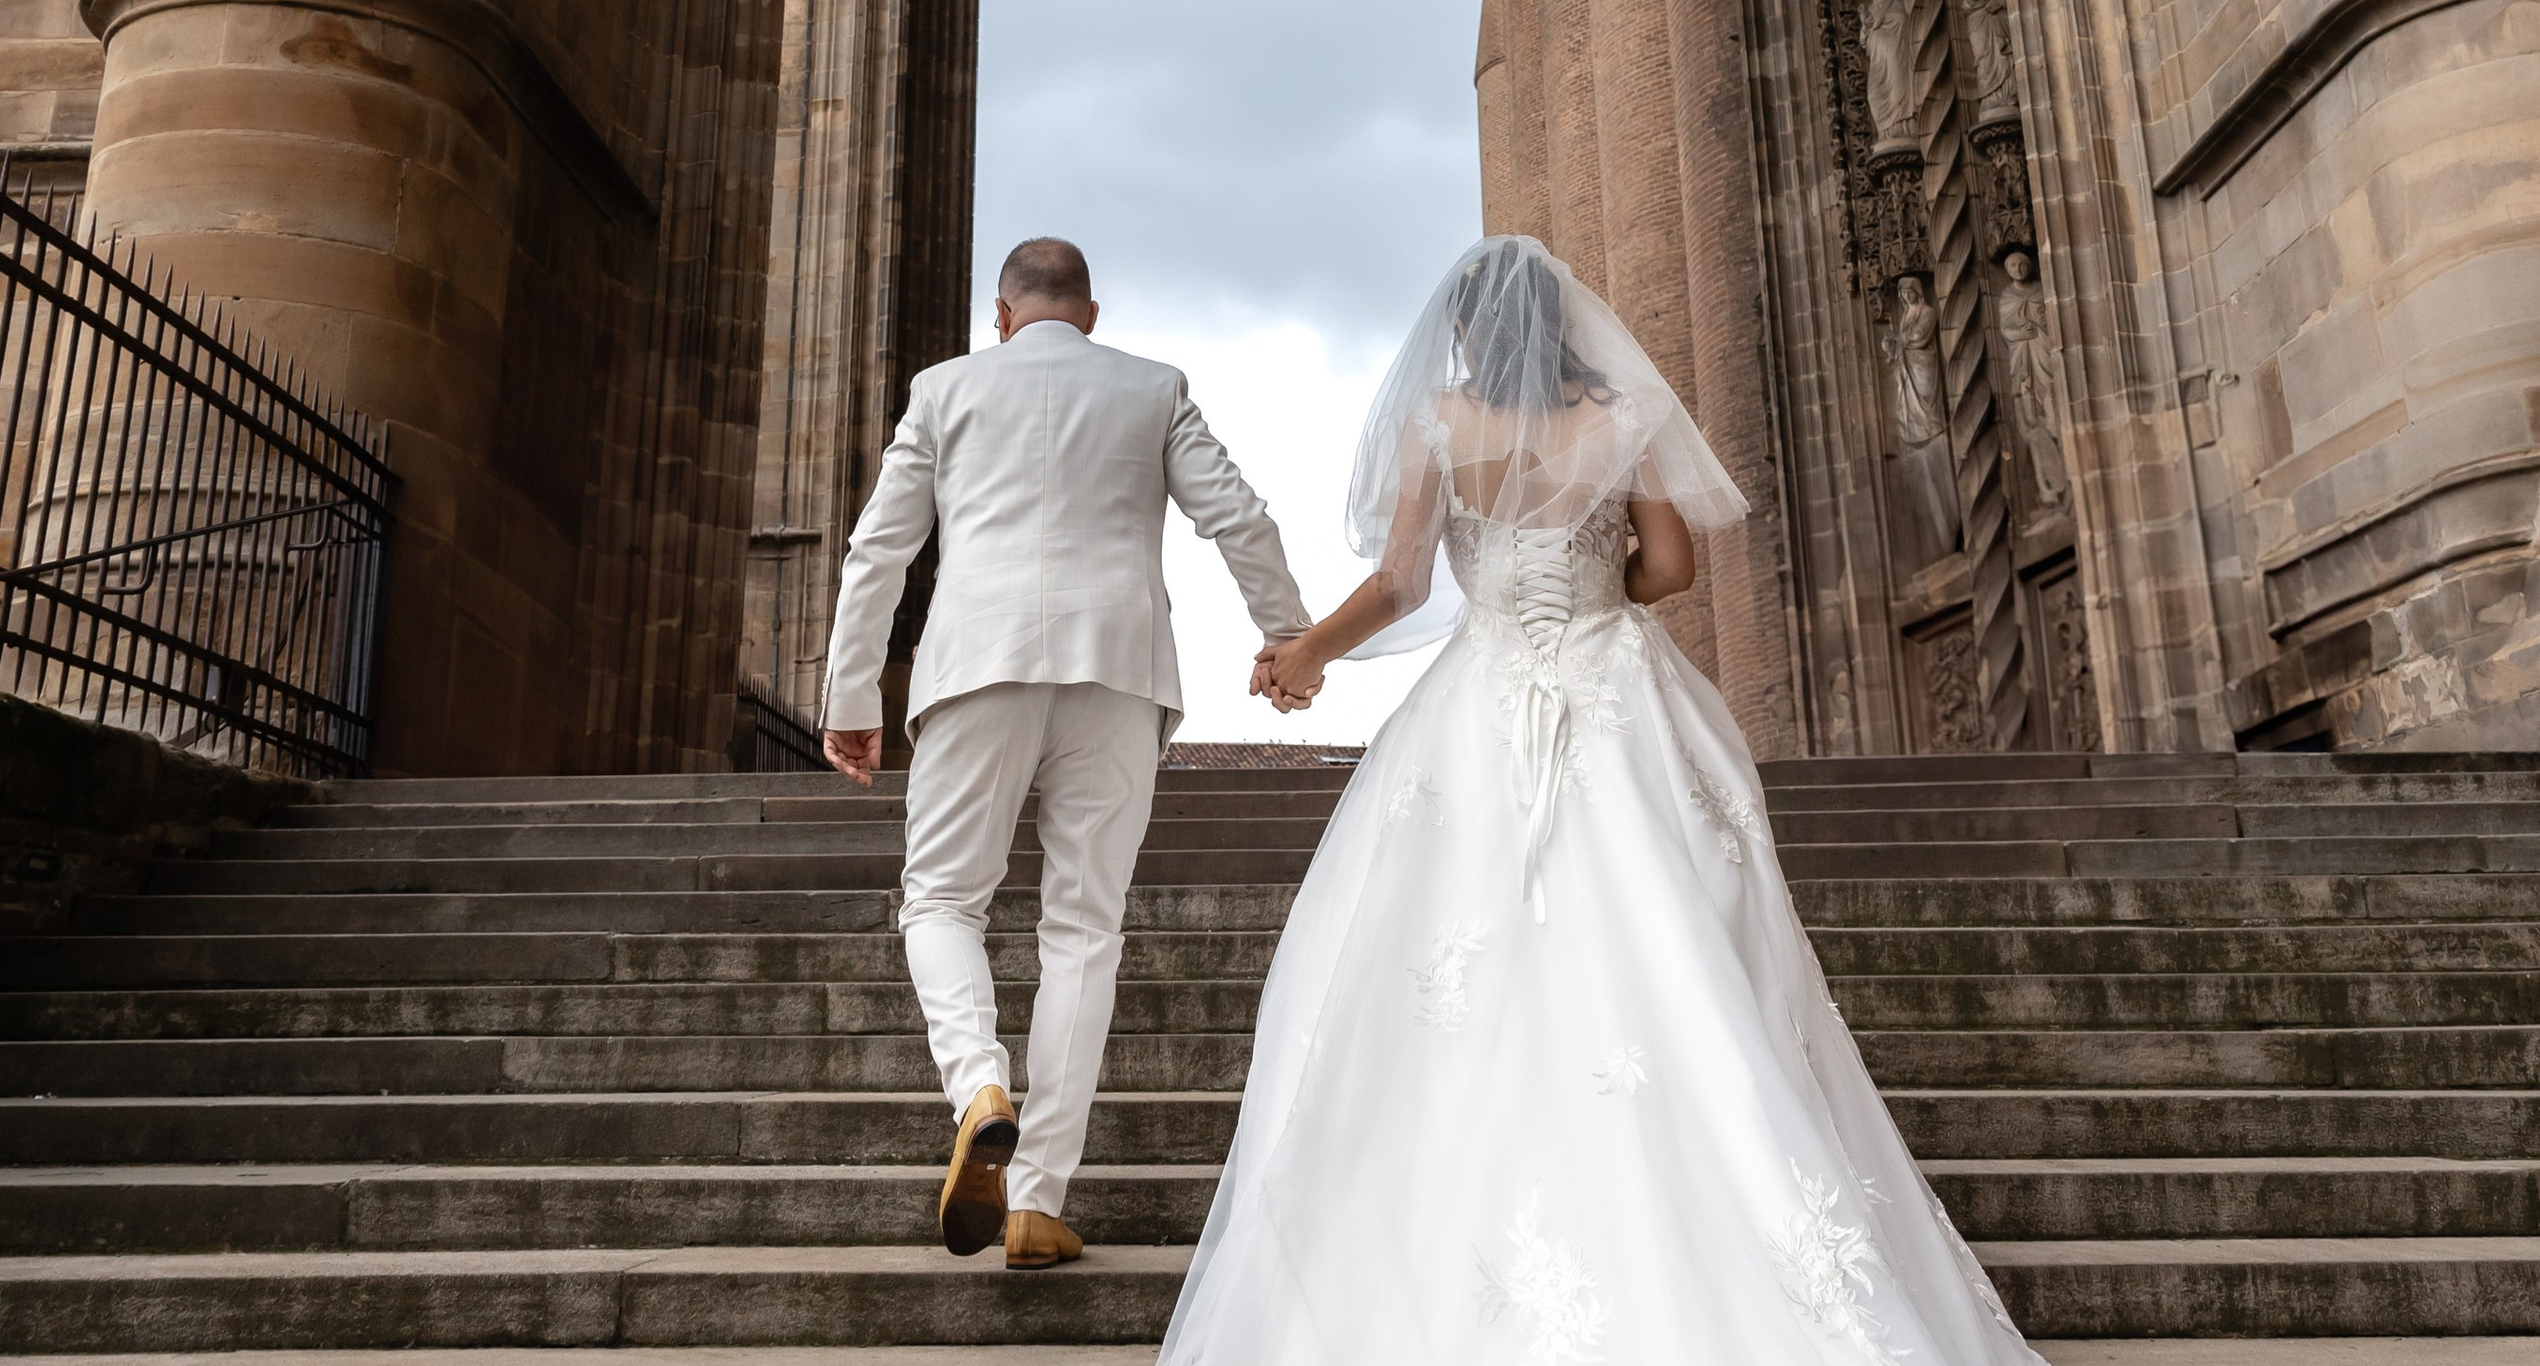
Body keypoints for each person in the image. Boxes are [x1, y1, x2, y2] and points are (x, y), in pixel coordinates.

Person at [1159, 234, 2045, 1366]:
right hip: (1613, 684)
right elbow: (1671, 568)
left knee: (1453, 948)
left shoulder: (1441, 423)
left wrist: (1304, 655)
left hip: (1479, 696)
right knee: (1666, 929)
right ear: (1567, 322)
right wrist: (1590, 591)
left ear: (1468, 330)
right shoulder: (1623, 414)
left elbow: (1402, 583)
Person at [818, 236, 1312, 1270]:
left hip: (976, 666)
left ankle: (977, 1088)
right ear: (1090, 314)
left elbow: (880, 548)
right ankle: (1037, 1199)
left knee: (944, 901)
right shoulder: (1152, 386)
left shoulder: (944, 389)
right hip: (1119, 671)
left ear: (1000, 316)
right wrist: (1287, 639)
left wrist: (853, 691)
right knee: (1083, 927)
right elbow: (1239, 517)